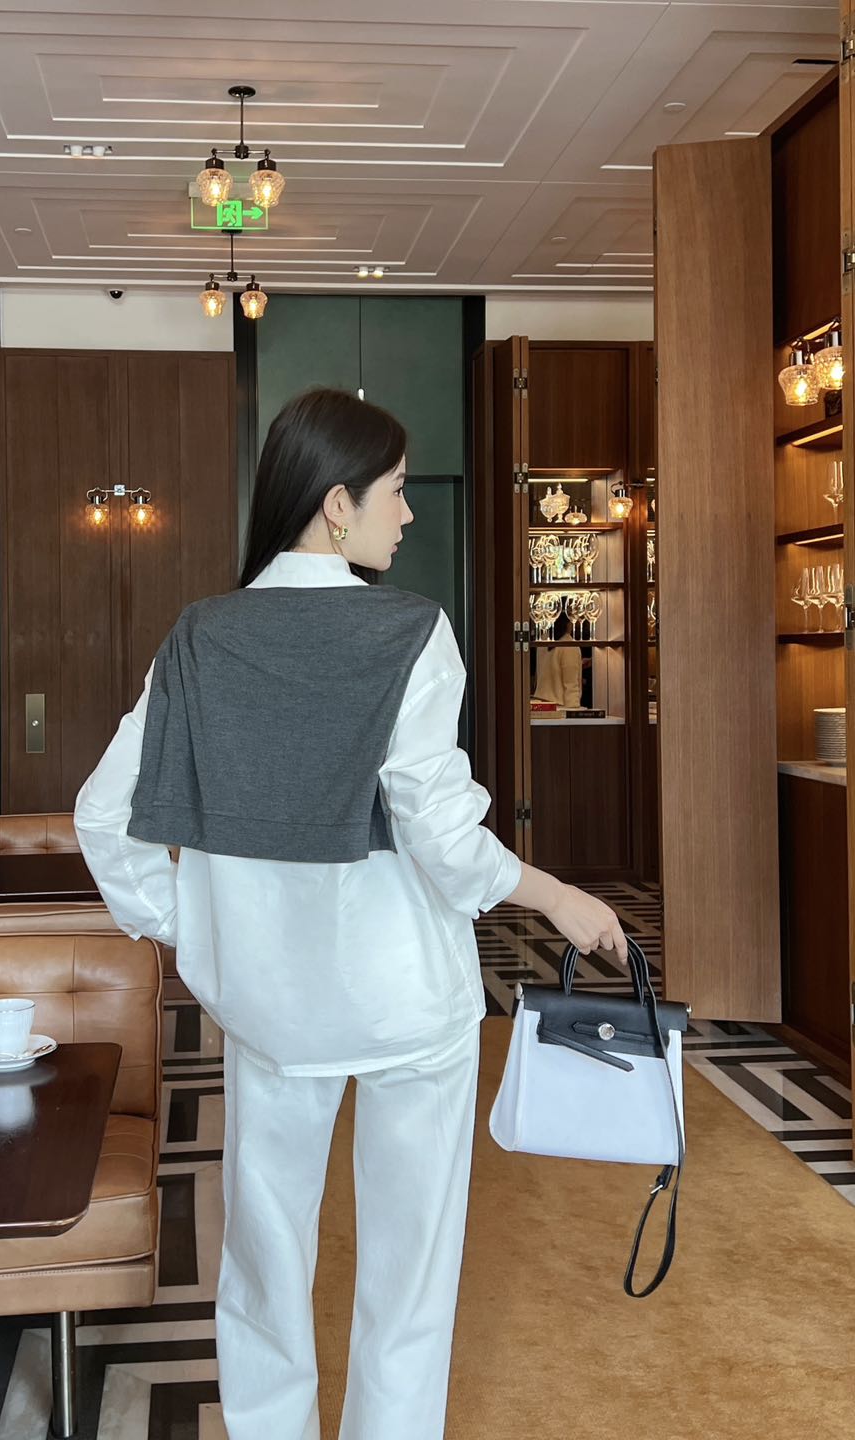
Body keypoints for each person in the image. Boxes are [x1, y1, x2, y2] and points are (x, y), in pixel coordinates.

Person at [74, 387, 629, 1440]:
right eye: (397, 491)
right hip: (408, 1003)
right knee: (410, 1272)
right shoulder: (411, 632)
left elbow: (103, 815)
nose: (408, 515)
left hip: (269, 1011)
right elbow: (442, 836)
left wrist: (199, 929)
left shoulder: (199, 638)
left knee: (263, 1257)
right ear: (338, 504)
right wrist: (557, 897)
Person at [533, 608, 583, 708]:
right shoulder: (568, 645)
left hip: (540, 703)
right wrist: (574, 712)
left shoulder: (543, 639)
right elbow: (571, 687)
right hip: (560, 707)